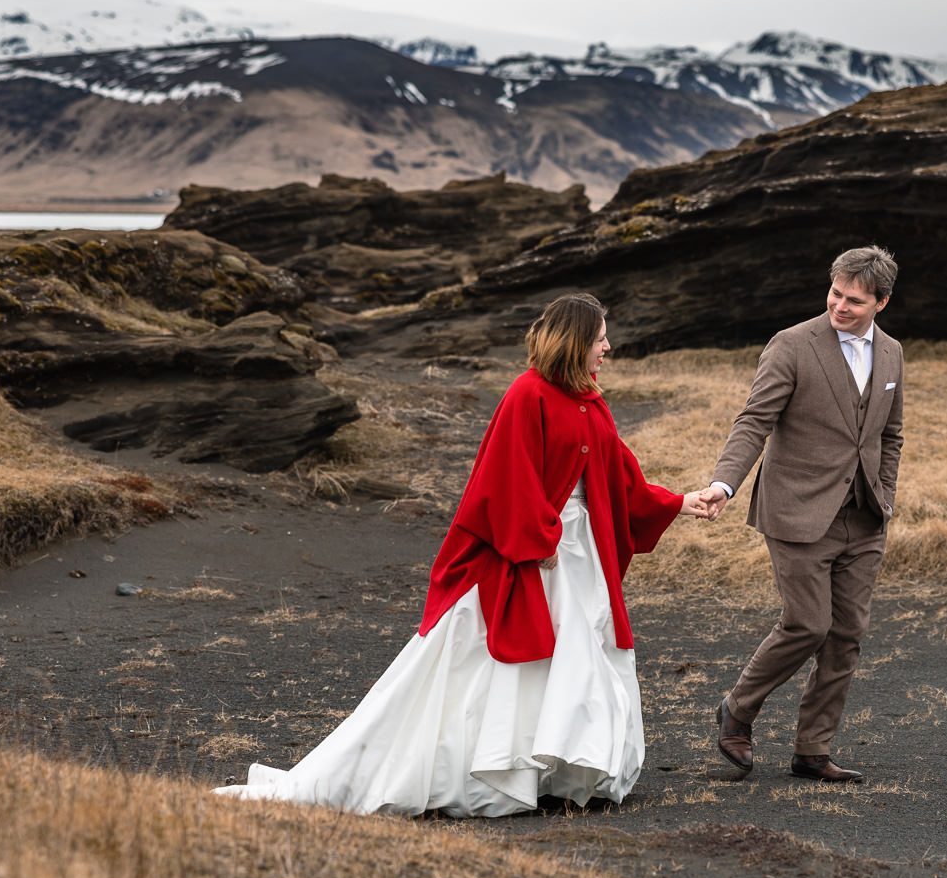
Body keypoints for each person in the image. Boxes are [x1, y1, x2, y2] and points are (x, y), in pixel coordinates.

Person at [216, 293, 710, 816]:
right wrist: (538, 538)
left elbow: (617, 478)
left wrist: (679, 502)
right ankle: (495, 771)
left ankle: (559, 772)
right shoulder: (527, 395)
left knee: (579, 659)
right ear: (575, 341)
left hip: (579, 558)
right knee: (509, 664)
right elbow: (503, 479)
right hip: (532, 558)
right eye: (599, 337)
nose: (607, 346)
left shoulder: (590, 401)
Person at [698, 246, 904, 783]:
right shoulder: (791, 345)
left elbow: (890, 433)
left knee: (846, 634)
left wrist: (885, 493)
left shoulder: (892, 354)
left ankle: (813, 751)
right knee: (808, 624)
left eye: (854, 301)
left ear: (881, 302)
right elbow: (754, 420)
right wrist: (725, 482)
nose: (839, 305)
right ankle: (737, 710)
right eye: (835, 293)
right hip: (797, 511)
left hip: (864, 516)